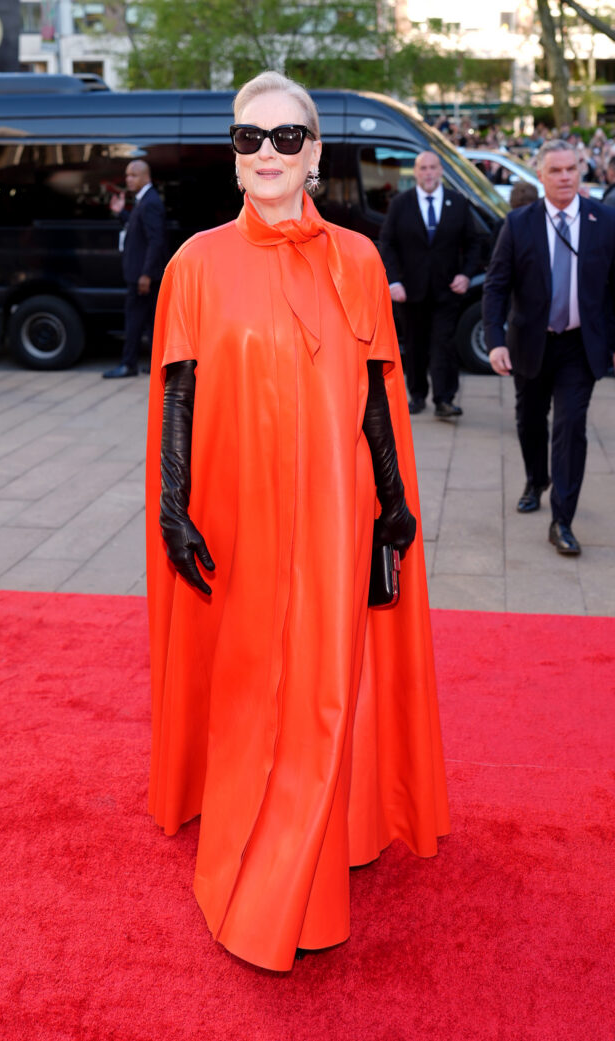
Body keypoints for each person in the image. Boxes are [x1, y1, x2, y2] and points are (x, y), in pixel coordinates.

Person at [145, 71, 449, 972]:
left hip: (337, 508)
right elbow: (181, 389)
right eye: (250, 140)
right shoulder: (196, 260)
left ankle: (301, 868)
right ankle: (256, 835)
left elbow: (374, 391)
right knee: (253, 687)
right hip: (237, 515)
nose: (268, 155)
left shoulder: (357, 257)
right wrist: (173, 503)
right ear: (232, 157)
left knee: (324, 686)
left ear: (314, 153)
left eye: (287, 138)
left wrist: (393, 501)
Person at [483, 140, 615, 555]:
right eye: (555, 170)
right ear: (539, 176)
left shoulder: (604, 221)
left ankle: (562, 519)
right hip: (531, 343)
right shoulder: (519, 223)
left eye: (571, 169)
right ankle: (536, 479)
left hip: (581, 345)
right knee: (531, 421)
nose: (565, 177)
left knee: (570, 426)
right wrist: (495, 341)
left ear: (580, 171)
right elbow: (497, 285)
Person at [378, 151, 482, 419]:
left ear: (441, 171)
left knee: (443, 344)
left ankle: (445, 399)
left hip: (446, 290)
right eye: (423, 168)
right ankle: (417, 395)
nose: (428, 173)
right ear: (415, 172)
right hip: (409, 292)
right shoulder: (401, 204)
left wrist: (467, 274)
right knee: (414, 345)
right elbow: (387, 244)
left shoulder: (457, 203)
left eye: (433, 167)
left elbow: (474, 243)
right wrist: (394, 281)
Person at [103, 160, 168, 379]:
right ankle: (156, 364)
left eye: (133, 175)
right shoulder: (144, 200)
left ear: (145, 177)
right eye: (127, 175)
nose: (128, 179)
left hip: (142, 276)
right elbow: (138, 228)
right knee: (151, 322)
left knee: (134, 321)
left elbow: (155, 241)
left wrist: (146, 274)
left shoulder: (150, 202)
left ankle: (128, 364)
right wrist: (121, 213)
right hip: (142, 274)